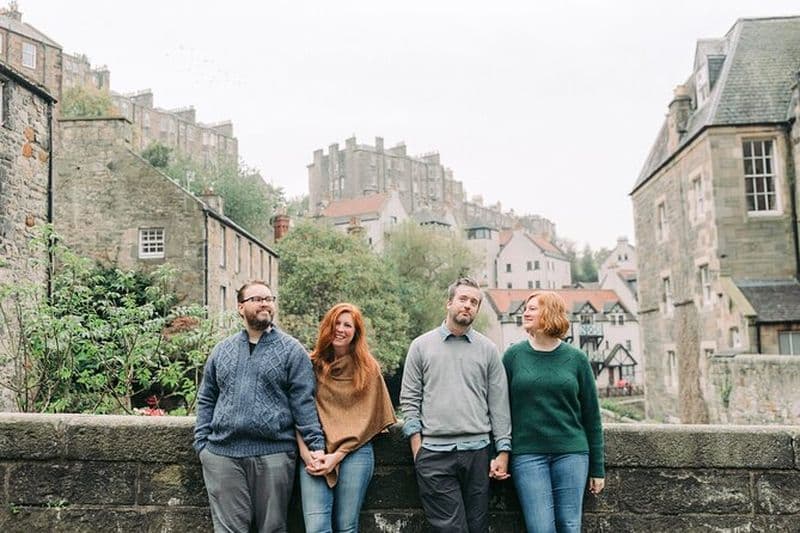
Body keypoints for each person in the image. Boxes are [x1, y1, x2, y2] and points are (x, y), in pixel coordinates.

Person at [194, 280, 325, 533]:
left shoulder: (292, 350)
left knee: (273, 529)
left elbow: (303, 402)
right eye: (257, 299)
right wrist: (202, 445)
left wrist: (316, 445)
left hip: (274, 453)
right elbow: (207, 397)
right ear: (240, 307)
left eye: (269, 298)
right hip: (223, 455)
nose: (265, 303)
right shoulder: (222, 350)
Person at [400, 276, 511, 532]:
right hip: (434, 452)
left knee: (477, 527)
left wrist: (502, 451)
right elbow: (409, 399)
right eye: (463, 299)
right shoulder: (421, 346)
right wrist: (418, 448)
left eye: (474, 302)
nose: (468, 305)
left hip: (478, 452)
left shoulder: (488, 349)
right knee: (450, 529)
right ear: (449, 303)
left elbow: (499, 404)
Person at [502, 291, 605, 533]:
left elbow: (592, 416)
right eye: (525, 308)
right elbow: (499, 409)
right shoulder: (513, 357)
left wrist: (598, 469)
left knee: (570, 525)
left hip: (572, 454)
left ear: (550, 313)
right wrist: (501, 452)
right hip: (528, 455)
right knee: (540, 528)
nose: (525, 312)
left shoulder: (576, 359)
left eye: (533, 308)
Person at [297, 303, 397, 533]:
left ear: (356, 332)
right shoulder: (310, 365)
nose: (340, 329)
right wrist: (306, 455)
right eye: (336, 324)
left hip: (355, 452)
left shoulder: (368, 369)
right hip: (315, 451)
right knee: (316, 528)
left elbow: (371, 419)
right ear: (327, 327)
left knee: (346, 527)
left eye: (347, 325)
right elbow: (298, 413)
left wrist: (337, 457)